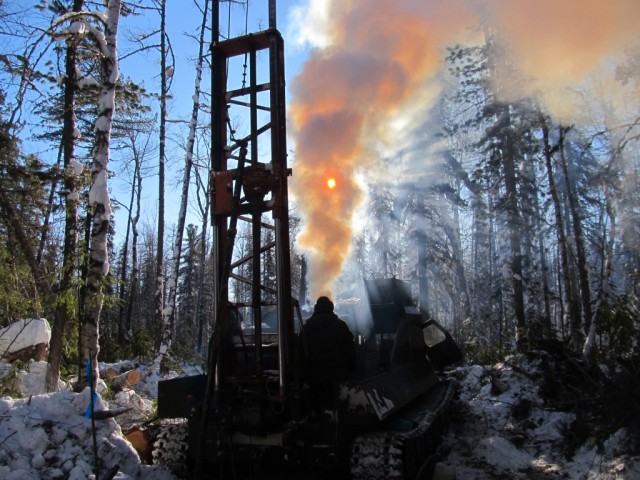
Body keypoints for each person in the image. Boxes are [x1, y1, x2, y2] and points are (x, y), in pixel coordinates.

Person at [302, 296, 356, 411]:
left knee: (320, 407)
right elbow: (350, 349)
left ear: (316, 308)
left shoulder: (307, 327)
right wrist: (351, 369)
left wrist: (304, 376)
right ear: (331, 308)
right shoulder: (341, 325)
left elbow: (300, 352)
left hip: (315, 376)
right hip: (338, 375)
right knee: (337, 406)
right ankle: (337, 424)